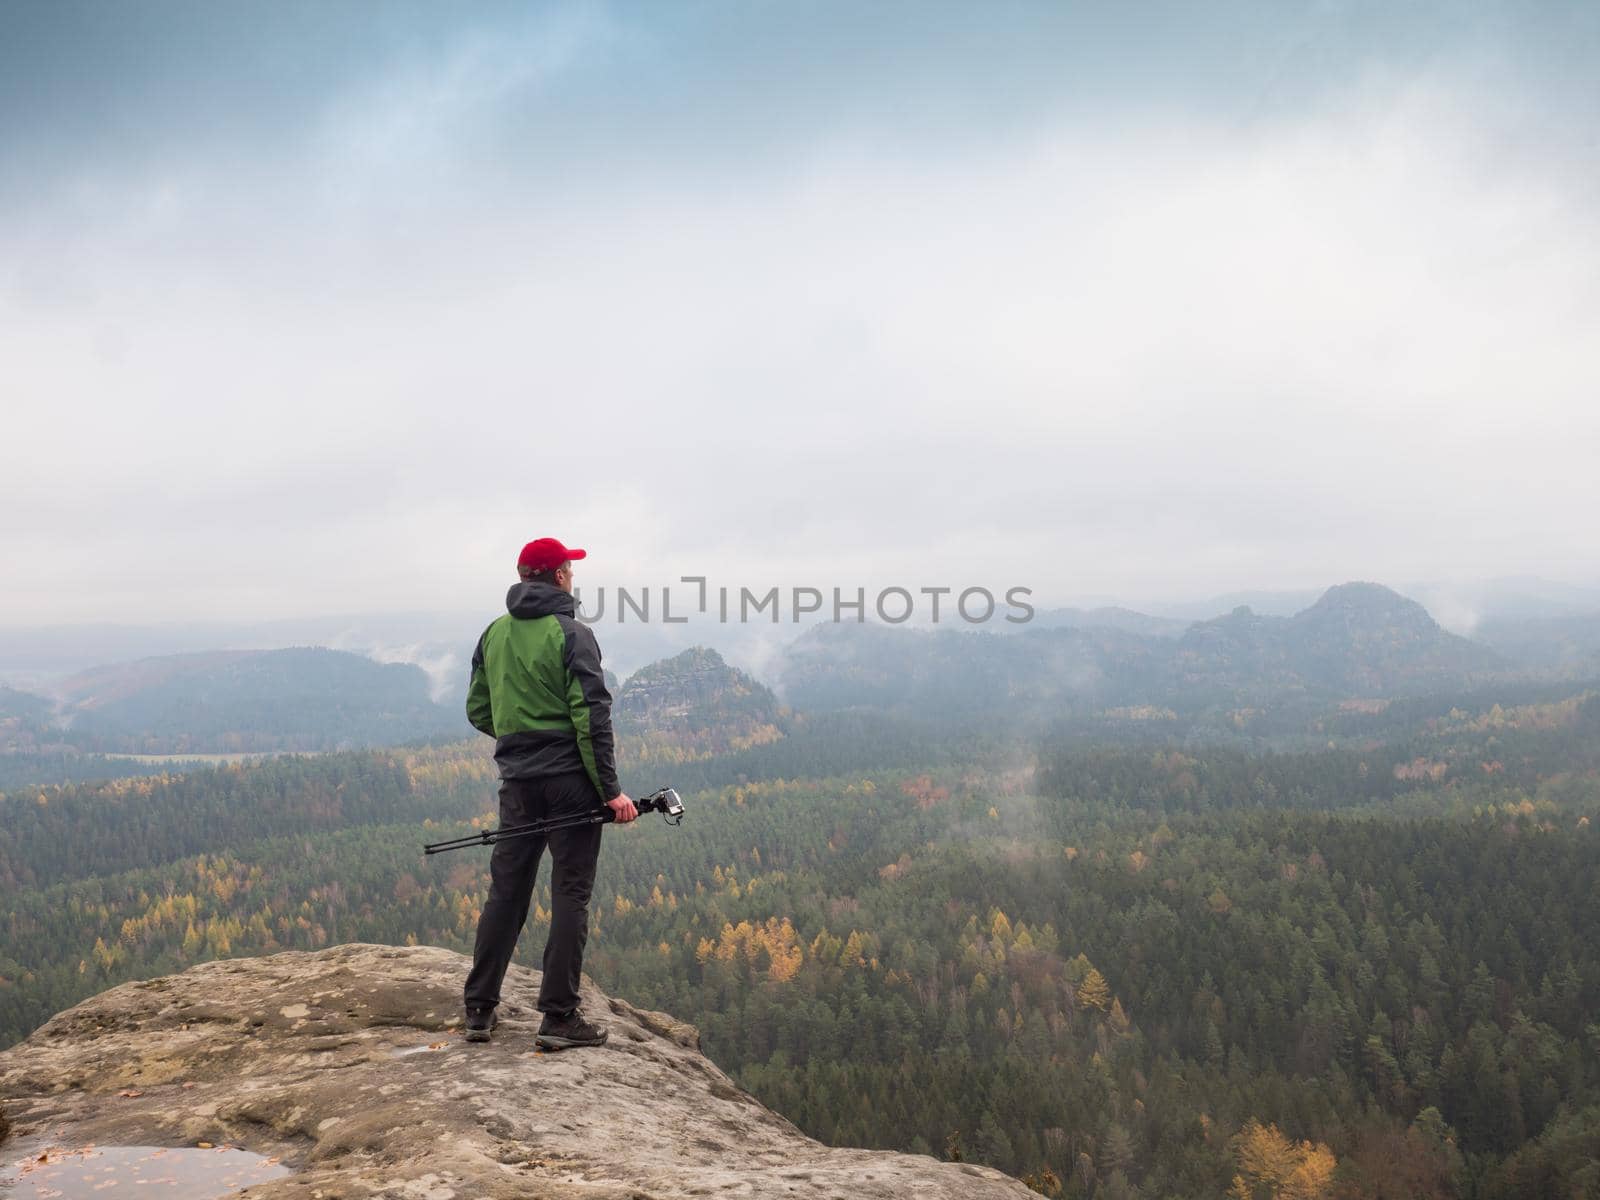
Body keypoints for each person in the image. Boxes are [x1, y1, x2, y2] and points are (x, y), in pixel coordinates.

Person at [461, 536, 637, 1049]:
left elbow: (478, 710)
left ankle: (478, 1010)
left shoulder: (493, 634)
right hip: (571, 785)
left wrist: (519, 741)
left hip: (517, 783)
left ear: (521, 577)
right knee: (570, 894)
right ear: (559, 577)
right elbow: (591, 718)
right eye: (569, 570)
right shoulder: (572, 634)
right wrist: (611, 792)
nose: (572, 577)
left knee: (507, 892)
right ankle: (558, 1017)